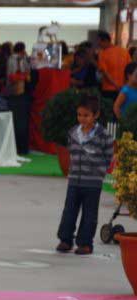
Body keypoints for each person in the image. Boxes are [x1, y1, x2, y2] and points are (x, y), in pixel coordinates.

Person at [56, 95, 114, 255]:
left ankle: (85, 243)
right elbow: (71, 152)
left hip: (93, 183)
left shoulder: (104, 136)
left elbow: (109, 156)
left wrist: (100, 172)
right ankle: (65, 240)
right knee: (69, 211)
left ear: (96, 115)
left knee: (89, 214)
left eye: (86, 115)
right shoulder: (73, 132)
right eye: (79, 114)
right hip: (74, 181)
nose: (82, 118)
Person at [97, 30, 131, 102]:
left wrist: (116, 85)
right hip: (124, 88)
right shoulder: (124, 51)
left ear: (105, 40)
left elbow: (105, 73)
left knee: (109, 110)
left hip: (108, 89)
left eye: (99, 42)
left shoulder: (102, 54)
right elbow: (130, 69)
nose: (98, 44)